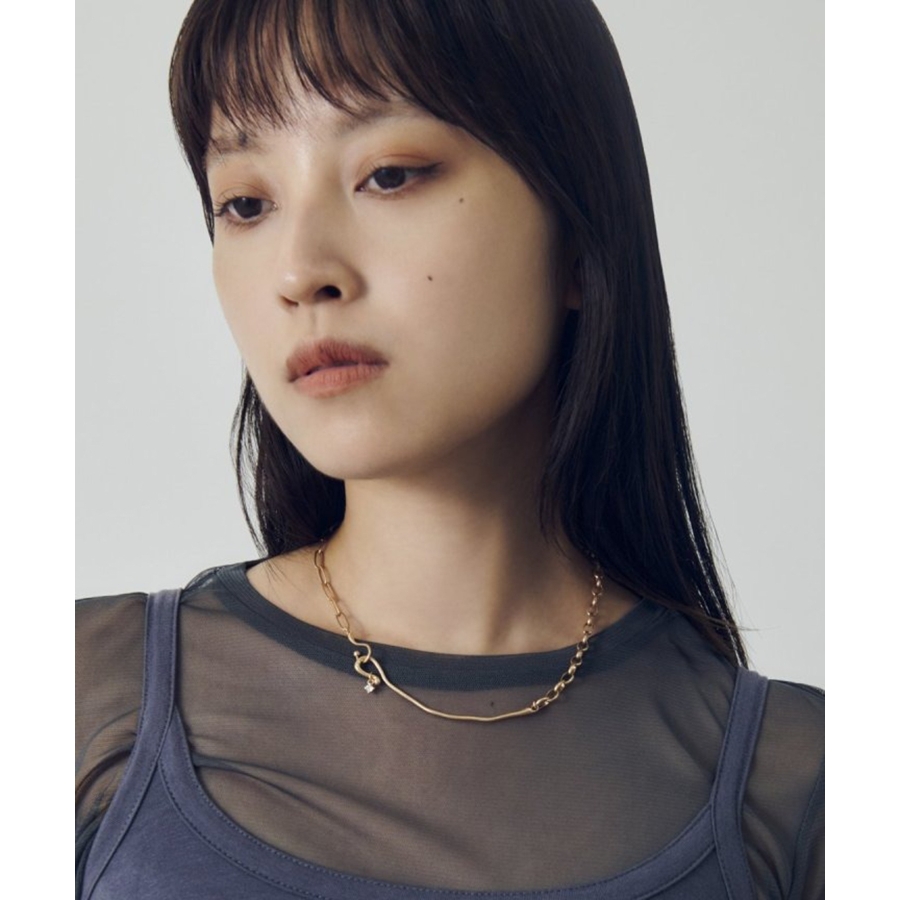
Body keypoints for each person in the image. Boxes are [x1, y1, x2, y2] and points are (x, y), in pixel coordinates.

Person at [75, 1, 824, 897]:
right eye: (245, 203)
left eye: (389, 175)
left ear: (578, 236)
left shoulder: (796, 782)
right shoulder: (79, 699)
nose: (300, 271)